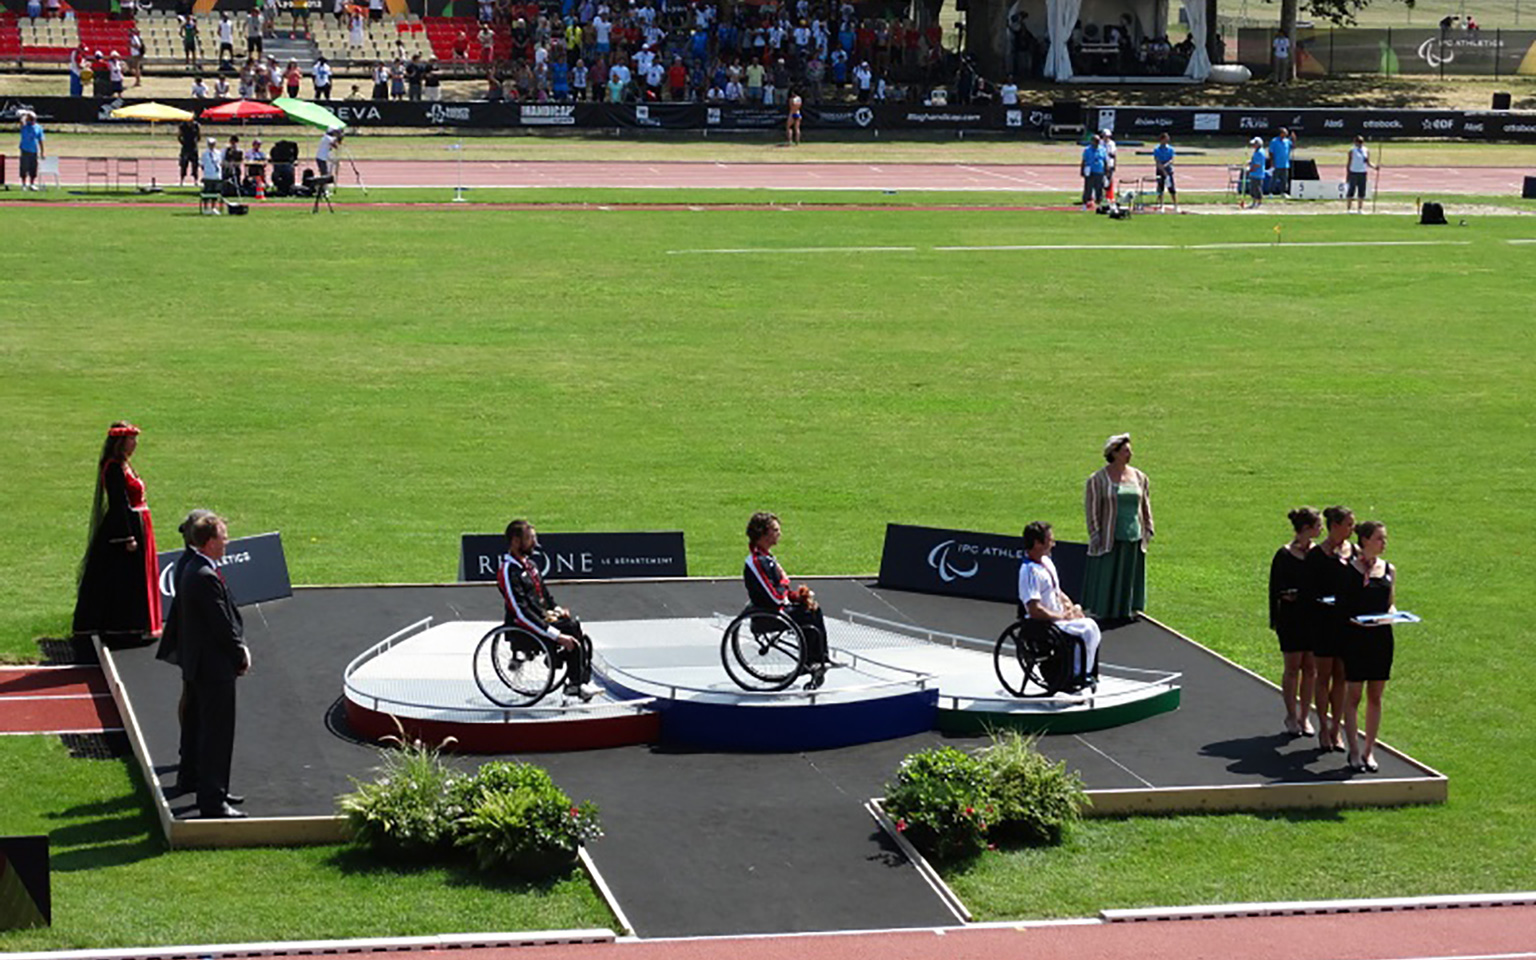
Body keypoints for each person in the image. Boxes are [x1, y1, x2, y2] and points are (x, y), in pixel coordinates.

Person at [174, 513, 250, 818]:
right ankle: (213, 800)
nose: (227, 541)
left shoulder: (192, 566)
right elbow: (221, 624)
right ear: (208, 542)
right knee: (217, 734)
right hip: (213, 668)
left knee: (201, 727)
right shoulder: (204, 575)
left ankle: (204, 783)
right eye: (223, 537)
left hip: (199, 663)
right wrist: (240, 655)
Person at [73, 421, 164, 645]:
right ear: (121, 442)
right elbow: (118, 503)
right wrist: (127, 536)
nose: (135, 444)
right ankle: (123, 627)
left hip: (139, 522)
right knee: (124, 577)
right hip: (128, 527)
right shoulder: (113, 467)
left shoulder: (124, 464)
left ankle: (135, 624)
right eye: (131, 440)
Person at [496, 520, 599, 701]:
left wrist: (558, 610)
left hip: (542, 619)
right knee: (570, 636)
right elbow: (520, 612)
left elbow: (545, 596)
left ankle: (578, 681)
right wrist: (556, 636)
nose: (535, 543)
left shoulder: (531, 566)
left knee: (577, 630)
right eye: (530, 539)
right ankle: (573, 680)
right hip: (525, 627)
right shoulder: (508, 571)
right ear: (515, 541)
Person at [155, 509, 217, 796]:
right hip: (194, 647)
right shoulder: (193, 567)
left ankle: (188, 752)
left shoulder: (186, 563)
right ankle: (189, 754)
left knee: (190, 698)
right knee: (192, 701)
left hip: (189, 644)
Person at [743, 511, 832, 689]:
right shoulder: (757, 561)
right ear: (763, 534)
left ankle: (819, 658)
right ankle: (812, 661)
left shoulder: (766, 558)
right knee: (808, 614)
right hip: (768, 614)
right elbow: (774, 596)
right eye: (775, 530)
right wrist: (784, 582)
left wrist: (797, 596)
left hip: (774, 608)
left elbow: (779, 592)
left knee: (814, 609)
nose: (779, 534)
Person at [1340, 521, 1395, 773]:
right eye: (1379, 538)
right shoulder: (1349, 571)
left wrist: (1393, 615)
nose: (1384, 543)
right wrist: (1356, 621)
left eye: (1384, 538)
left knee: (1376, 696)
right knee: (1354, 695)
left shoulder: (1389, 570)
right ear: (1364, 540)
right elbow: (1342, 608)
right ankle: (1353, 749)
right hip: (1356, 639)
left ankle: (1369, 751)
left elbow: (1390, 603)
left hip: (1381, 639)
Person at [1019, 521, 1100, 687]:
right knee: (1087, 630)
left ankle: (1084, 671)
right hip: (1044, 624)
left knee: (1090, 626)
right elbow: (1035, 610)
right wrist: (1061, 616)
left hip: (1059, 618)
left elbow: (1057, 591)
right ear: (1037, 543)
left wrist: (1070, 607)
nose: (1053, 544)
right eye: (1050, 540)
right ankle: (1077, 674)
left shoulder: (1047, 562)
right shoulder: (1029, 572)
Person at [1082, 433, 1153, 621]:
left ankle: (1127, 609)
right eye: (1125, 451)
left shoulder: (1140, 477)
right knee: (1109, 573)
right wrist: (1095, 532)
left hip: (1134, 533)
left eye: (1130, 451)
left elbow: (1144, 504)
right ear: (1113, 453)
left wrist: (1148, 527)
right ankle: (1105, 610)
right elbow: (1092, 508)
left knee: (1130, 573)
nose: (1129, 455)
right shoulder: (1098, 479)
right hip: (1110, 535)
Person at [1307, 504, 1355, 753]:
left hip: (1346, 625)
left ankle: (1337, 728)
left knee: (1342, 678)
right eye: (1348, 524)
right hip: (1324, 624)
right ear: (1335, 526)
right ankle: (1323, 728)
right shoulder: (1317, 555)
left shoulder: (1353, 552)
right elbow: (1309, 592)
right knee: (1323, 676)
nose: (1352, 528)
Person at [1269, 506, 1320, 736]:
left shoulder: (1318, 554)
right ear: (1307, 528)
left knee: (1310, 669)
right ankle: (1291, 715)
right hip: (1291, 618)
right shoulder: (1284, 555)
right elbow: (1276, 589)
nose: (1321, 529)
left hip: (1313, 617)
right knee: (1292, 668)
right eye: (1318, 525)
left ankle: (1304, 716)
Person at [1345, 135, 1375, 213]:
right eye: (1358, 142)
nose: (1359, 144)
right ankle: (1349, 208)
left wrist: (1374, 167)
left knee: (1361, 191)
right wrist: (1348, 173)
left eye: (1361, 142)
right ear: (1355, 142)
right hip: (1354, 172)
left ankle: (1360, 208)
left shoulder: (1366, 150)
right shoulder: (1352, 151)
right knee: (1351, 190)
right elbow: (1349, 162)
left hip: (1363, 172)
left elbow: (1367, 162)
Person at [16, 109, 44, 191]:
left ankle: (32, 184)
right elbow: (22, 121)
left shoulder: (38, 127)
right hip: (25, 149)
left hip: (34, 150)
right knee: (24, 167)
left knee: (33, 168)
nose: (32, 120)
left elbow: (40, 140)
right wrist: (25, 113)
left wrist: (42, 151)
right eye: (31, 119)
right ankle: (23, 184)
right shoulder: (24, 126)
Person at [1080, 132, 1106, 210]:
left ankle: (1099, 204)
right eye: (1095, 141)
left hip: (1099, 171)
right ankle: (1085, 204)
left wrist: (1106, 171)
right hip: (1090, 171)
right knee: (1088, 188)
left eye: (1098, 141)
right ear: (1092, 141)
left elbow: (1104, 160)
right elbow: (1084, 161)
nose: (1097, 142)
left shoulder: (1102, 149)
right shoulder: (1087, 150)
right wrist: (1082, 170)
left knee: (1099, 188)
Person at [1152, 131, 1177, 212]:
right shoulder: (1157, 149)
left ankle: (1175, 205)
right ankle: (1161, 205)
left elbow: (1172, 159)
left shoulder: (1170, 149)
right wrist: (1161, 168)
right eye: (1165, 139)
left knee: (1171, 188)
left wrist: (1166, 166)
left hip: (1168, 170)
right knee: (1160, 188)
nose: (1167, 140)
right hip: (1160, 170)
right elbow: (1157, 160)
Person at [199, 136, 223, 214]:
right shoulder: (205, 154)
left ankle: (213, 208)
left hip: (216, 175)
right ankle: (206, 208)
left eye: (213, 144)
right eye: (210, 144)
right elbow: (202, 165)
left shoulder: (218, 153)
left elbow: (220, 163)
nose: (212, 145)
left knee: (215, 193)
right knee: (207, 193)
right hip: (208, 175)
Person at [1241, 136, 1266, 209]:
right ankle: (1254, 201)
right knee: (1252, 188)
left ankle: (1257, 202)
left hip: (1257, 173)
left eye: (1254, 144)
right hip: (1254, 173)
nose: (1253, 146)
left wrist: (1251, 169)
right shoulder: (1256, 152)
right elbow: (1254, 161)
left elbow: (1258, 164)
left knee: (1256, 188)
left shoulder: (1260, 152)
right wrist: (1250, 162)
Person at [1268, 127, 1292, 196]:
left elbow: (1292, 147)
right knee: (1274, 179)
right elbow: (1271, 152)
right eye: (1284, 133)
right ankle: (1271, 192)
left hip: (1285, 164)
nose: (1286, 134)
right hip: (1277, 163)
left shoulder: (1287, 141)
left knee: (1284, 179)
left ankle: (1283, 192)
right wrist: (1272, 162)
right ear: (1281, 133)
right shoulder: (1274, 141)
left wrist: (1294, 139)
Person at [177, 116, 201, 184]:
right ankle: (182, 180)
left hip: (193, 147)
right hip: (185, 147)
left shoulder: (196, 125)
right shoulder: (182, 126)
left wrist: (195, 142)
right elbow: (179, 136)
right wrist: (183, 143)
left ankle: (195, 180)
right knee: (184, 164)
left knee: (195, 165)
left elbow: (199, 136)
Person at [1099, 128, 1117, 201]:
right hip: (1102, 164)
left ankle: (1109, 196)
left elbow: (1114, 154)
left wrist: (1114, 164)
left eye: (1108, 136)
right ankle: (1100, 196)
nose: (1107, 138)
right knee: (1101, 180)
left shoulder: (1111, 143)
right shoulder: (1100, 143)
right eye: (1105, 136)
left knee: (1109, 180)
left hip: (1110, 164)